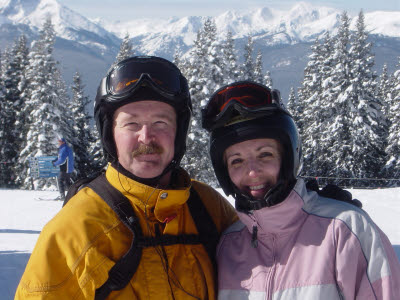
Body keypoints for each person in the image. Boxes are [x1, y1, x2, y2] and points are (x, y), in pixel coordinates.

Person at [15, 56, 237, 299]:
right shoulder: (77, 228)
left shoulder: (209, 208)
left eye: (160, 122)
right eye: (131, 124)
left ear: (178, 132)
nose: (146, 137)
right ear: (110, 134)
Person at [201, 81, 400, 299]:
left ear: (288, 158)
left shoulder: (345, 231)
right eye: (236, 160)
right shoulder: (228, 246)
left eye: (265, 154)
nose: (252, 172)